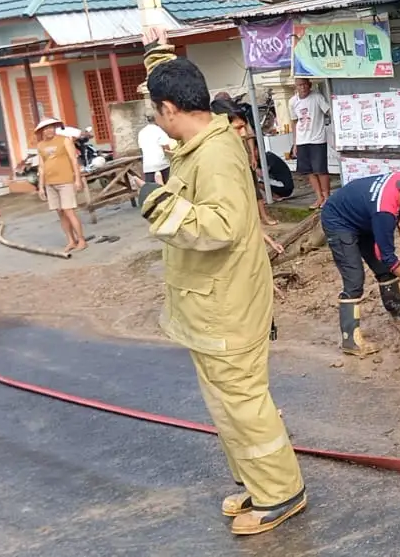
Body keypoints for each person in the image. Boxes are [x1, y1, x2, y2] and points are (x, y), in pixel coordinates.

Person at [133, 37, 306, 536]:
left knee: (244, 402)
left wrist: (158, 204)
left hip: (227, 307)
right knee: (227, 405)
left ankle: (280, 493)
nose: (155, 118)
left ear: (168, 108)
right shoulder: (200, 145)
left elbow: (221, 225)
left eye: (154, 109)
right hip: (210, 307)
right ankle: (258, 483)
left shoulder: (213, 156)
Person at [319, 171, 400, 357]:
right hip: (339, 221)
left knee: (384, 269)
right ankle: (350, 340)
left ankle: (397, 311)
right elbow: (386, 255)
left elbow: (392, 207)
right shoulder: (384, 212)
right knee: (354, 279)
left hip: (364, 217)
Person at [213, 98, 279, 227]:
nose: (243, 133)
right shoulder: (214, 155)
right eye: (238, 128)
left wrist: (252, 157)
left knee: (253, 188)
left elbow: (249, 136)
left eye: (243, 127)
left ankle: (262, 217)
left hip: (244, 159)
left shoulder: (238, 118)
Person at [34, 117, 88, 252]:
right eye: (46, 128)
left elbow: (73, 160)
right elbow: (41, 166)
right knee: (60, 212)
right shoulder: (40, 145)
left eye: (51, 127)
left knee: (69, 211)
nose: (49, 130)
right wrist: (41, 186)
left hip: (65, 180)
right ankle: (71, 240)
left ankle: (81, 239)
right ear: (42, 131)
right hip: (50, 183)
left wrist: (77, 179)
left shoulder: (64, 140)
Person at [288, 79, 333, 208]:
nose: (303, 88)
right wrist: (295, 143)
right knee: (309, 171)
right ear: (296, 87)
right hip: (302, 140)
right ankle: (319, 197)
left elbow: (328, 111)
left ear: (309, 85)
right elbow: (294, 122)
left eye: (305, 84)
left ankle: (327, 197)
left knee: (321, 170)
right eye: (299, 85)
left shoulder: (317, 97)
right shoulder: (292, 102)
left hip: (317, 139)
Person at [139, 113, 173, 185]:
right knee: (167, 188)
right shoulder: (160, 131)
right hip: (162, 164)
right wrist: (172, 159)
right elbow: (166, 149)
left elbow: (141, 151)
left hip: (148, 167)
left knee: (151, 190)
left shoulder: (141, 132)